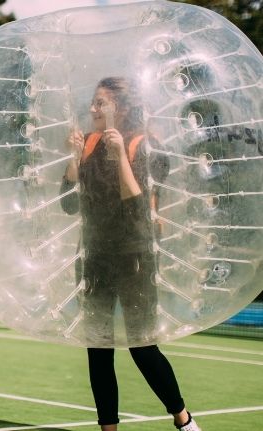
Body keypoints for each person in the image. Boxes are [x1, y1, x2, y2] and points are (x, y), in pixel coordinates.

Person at [60, 77, 201, 431]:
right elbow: (67, 204)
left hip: (133, 256)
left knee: (142, 347)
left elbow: (137, 208)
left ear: (120, 108)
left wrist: (121, 153)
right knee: (98, 350)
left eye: (100, 103)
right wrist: (73, 160)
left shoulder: (143, 145)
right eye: (92, 102)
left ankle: (183, 420)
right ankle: (108, 428)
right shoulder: (89, 142)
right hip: (93, 256)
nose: (92, 109)